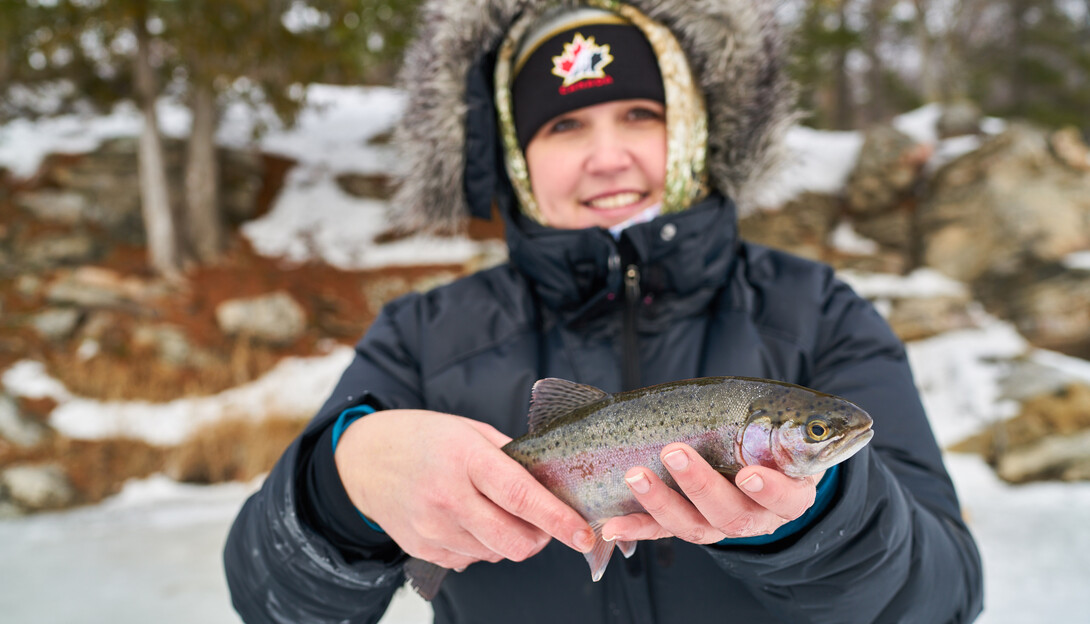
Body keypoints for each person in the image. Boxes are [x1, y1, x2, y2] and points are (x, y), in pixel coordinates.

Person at [224, 1, 984, 622]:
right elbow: (269, 602)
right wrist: (341, 481)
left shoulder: (821, 313)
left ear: (691, 127)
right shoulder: (420, 337)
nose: (608, 156)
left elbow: (947, 598)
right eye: (565, 126)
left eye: (639, 115)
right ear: (515, 157)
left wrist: (816, 520)